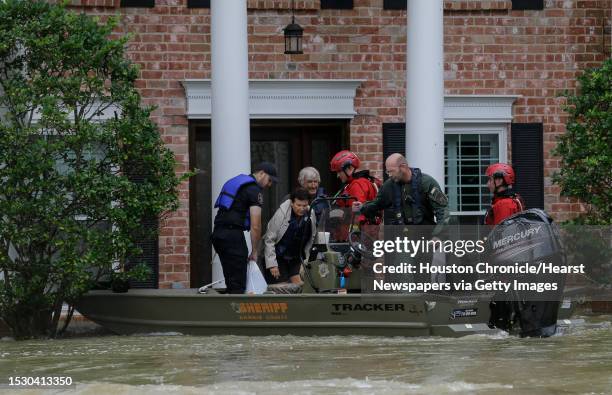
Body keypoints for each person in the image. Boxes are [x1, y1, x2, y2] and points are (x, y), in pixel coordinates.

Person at [211, 162, 278, 294]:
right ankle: (235, 313)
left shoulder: (239, 183)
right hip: (232, 237)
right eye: (270, 180)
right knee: (238, 285)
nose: (269, 185)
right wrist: (255, 251)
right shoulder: (254, 190)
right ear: (261, 173)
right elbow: (256, 225)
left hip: (219, 234)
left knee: (231, 280)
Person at [357, 153, 449, 235]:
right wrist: (361, 207)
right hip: (401, 237)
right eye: (387, 172)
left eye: (391, 171)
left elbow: (442, 210)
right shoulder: (389, 185)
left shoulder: (426, 183)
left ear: (403, 167)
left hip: (424, 237)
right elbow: (377, 204)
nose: (389, 175)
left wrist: (438, 236)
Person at [263, 187, 317, 285]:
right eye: (298, 205)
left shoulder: (310, 214)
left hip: (297, 256)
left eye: (304, 205)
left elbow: (312, 238)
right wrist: (272, 264)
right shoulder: (281, 213)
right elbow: (269, 239)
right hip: (278, 256)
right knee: (282, 288)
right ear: (292, 203)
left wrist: (306, 260)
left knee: (300, 286)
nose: (301, 208)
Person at [329, 150, 380, 225]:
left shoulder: (357, 184)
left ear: (349, 168)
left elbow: (358, 216)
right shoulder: (358, 182)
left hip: (358, 234)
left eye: (339, 171)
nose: (338, 176)